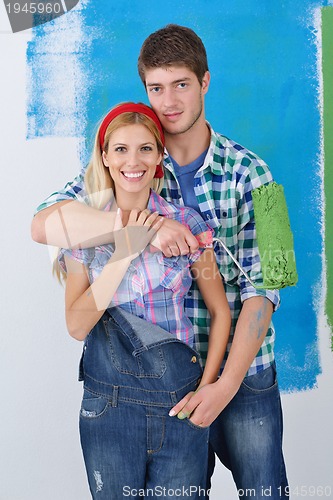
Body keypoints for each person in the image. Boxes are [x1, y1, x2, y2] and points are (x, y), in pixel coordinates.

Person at [31, 25, 288, 499]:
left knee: (265, 492)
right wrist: (140, 227)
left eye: (182, 85)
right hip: (156, 385)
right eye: (156, 88)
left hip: (243, 374)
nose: (169, 101)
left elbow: (269, 284)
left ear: (205, 82)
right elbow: (44, 224)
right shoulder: (135, 159)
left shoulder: (258, 174)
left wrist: (225, 383)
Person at [56, 101, 231, 499]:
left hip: (179, 404)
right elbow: (76, 325)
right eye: (120, 149)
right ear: (104, 156)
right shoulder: (82, 229)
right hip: (110, 409)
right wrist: (124, 251)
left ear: (159, 156)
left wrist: (207, 387)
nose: (132, 161)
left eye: (145, 149)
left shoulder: (187, 224)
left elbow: (220, 312)